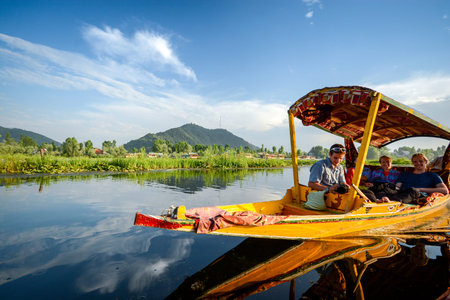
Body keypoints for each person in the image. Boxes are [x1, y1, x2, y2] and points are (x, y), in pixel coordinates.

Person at [381, 153, 448, 204]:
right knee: (382, 188)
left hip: (417, 194)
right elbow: (398, 186)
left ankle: (392, 202)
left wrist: (420, 189)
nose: (418, 163)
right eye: (415, 162)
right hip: (401, 193)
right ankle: (380, 200)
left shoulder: (432, 175)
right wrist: (392, 190)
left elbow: (445, 190)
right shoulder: (404, 174)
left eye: (421, 161)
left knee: (412, 190)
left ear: (425, 162)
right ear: (413, 163)